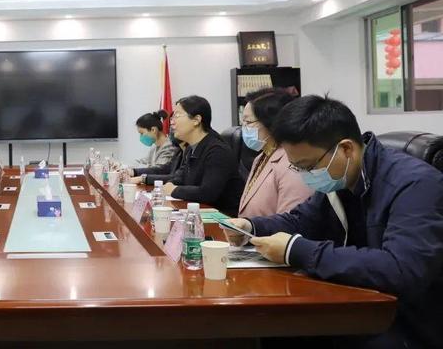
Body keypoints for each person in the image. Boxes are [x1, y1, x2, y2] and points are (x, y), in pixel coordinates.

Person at [225, 95, 443, 348]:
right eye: (298, 168)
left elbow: (401, 269)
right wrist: (252, 227)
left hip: (402, 322)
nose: (306, 176)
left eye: (308, 166)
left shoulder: (415, 185)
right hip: (355, 302)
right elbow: (302, 220)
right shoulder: (340, 179)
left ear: (346, 149)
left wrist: (297, 250)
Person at [161, 96, 244, 216]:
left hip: (223, 219)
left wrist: (174, 190)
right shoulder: (190, 148)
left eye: (177, 115)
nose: (171, 122)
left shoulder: (217, 151)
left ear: (196, 120)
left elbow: (208, 192)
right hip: (199, 213)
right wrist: (170, 184)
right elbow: (179, 178)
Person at [237, 88, 313, 218]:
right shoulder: (261, 157)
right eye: (243, 122)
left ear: (272, 123)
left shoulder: (292, 162)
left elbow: (291, 220)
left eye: (248, 122)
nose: (244, 127)